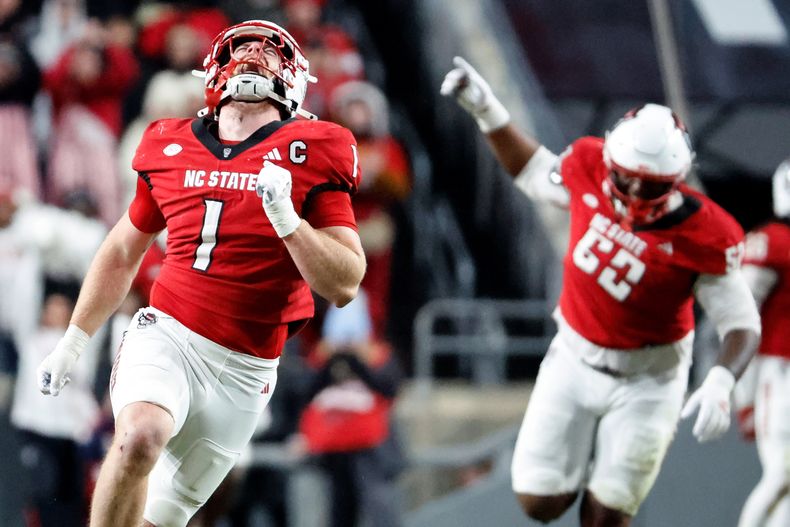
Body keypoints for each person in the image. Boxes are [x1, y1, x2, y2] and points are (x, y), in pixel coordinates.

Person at [36, 19, 366, 527]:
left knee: (160, 520)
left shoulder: (312, 148)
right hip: (169, 332)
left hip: (246, 368)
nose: (255, 58)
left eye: (270, 52)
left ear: (295, 78)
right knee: (139, 436)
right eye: (242, 49)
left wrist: (289, 222)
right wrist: (74, 342)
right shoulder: (170, 142)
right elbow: (123, 251)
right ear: (212, 72)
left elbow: (344, 283)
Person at [441, 56, 761, 526]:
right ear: (609, 158)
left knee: (608, 515)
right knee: (539, 502)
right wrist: (487, 110)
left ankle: (608, 465)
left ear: (675, 182)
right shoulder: (588, 163)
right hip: (573, 356)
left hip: (648, 380)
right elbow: (534, 172)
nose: (630, 191)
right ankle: (589, 456)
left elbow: (741, 323)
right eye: (624, 176)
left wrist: (721, 379)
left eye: (647, 185)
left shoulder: (706, 233)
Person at [736, 160, 790, 527]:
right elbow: (740, 318)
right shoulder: (773, 241)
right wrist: (743, 395)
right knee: (781, 476)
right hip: (781, 375)